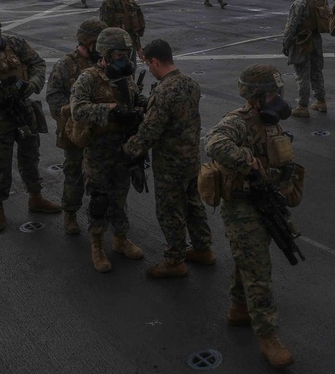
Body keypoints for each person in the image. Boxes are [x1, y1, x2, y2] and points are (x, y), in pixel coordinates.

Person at [204, 64, 304, 369]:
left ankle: (238, 308)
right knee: (258, 269)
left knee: (247, 259)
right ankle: (268, 336)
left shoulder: (269, 121)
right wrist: (249, 162)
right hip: (242, 206)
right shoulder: (238, 121)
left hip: (265, 201)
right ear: (255, 97)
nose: (278, 99)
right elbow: (214, 143)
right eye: (272, 93)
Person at [0, 11, 61, 232]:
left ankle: (35, 197)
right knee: (0, 165)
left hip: (24, 110)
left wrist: (32, 85)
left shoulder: (15, 44)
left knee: (30, 157)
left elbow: (37, 64)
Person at [123, 39, 213, 278]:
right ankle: (203, 248)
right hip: (191, 157)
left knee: (169, 210)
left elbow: (149, 132)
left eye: (148, 64)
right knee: (193, 204)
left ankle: (175, 261)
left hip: (170, 164)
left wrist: (127, 151)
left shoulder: (164, 91)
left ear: (155, 61)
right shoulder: (190, 84)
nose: (149, 69)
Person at [69, 28, 146, 272]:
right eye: (119, 54)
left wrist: (143, 107)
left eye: (127, 54)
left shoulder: (126, 78)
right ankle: (97, 244)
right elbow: (78, 110)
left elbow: (133, 101)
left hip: (122, 148)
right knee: (100, 198)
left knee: (120, 196)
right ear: (107, 54)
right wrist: (110, 110)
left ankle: (121, 238)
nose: (124, 58)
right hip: (99, 151)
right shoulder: (88, 79)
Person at [46, 19, 106, 235]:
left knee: (102, 174)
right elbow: (53, 98)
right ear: (88, 42)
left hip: (101, 128)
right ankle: (70, 213)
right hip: (76, 130)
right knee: (74, 173)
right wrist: (76, 111)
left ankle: (103, 215)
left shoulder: (103, 62)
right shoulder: (66, 65)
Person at [281, 0, 328, 118]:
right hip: (316, 39)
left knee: (302, 74)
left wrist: (286, 44)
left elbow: (291, 26)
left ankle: (302, 106)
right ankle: (321, 101)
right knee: (317, 71)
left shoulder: (299, 3)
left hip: (302, 41)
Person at [99, 0, 146, 65]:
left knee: (130, 73)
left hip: (129, 46)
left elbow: (134, 29)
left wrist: (138, 48)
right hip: (116, 49)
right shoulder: (110, 1)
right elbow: (104, 28)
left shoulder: (129, 0)